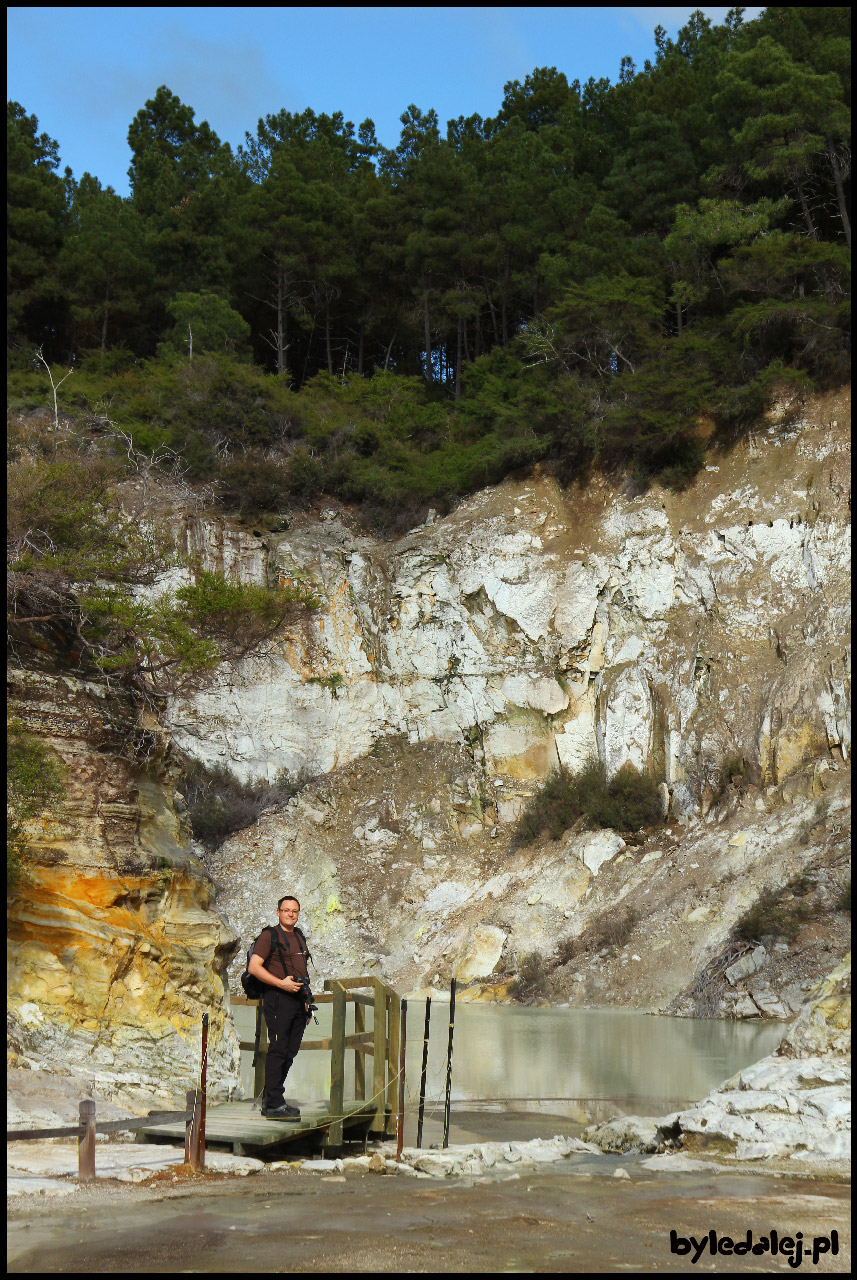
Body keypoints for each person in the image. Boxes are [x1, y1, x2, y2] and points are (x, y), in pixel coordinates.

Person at [248, 895, 312, 1121]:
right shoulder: (269, 936)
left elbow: (302, 970)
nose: (290, 914)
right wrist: (281, 983)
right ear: (278, 912)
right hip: (277, 997)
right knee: (278, 1049)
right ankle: (274, 1103)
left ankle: (272, 1098)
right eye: (286, 910)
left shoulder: (299, 937)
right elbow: (254, 967)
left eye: (294, 911)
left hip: (297, 1000)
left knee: (290, 1050)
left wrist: (307, 1001)